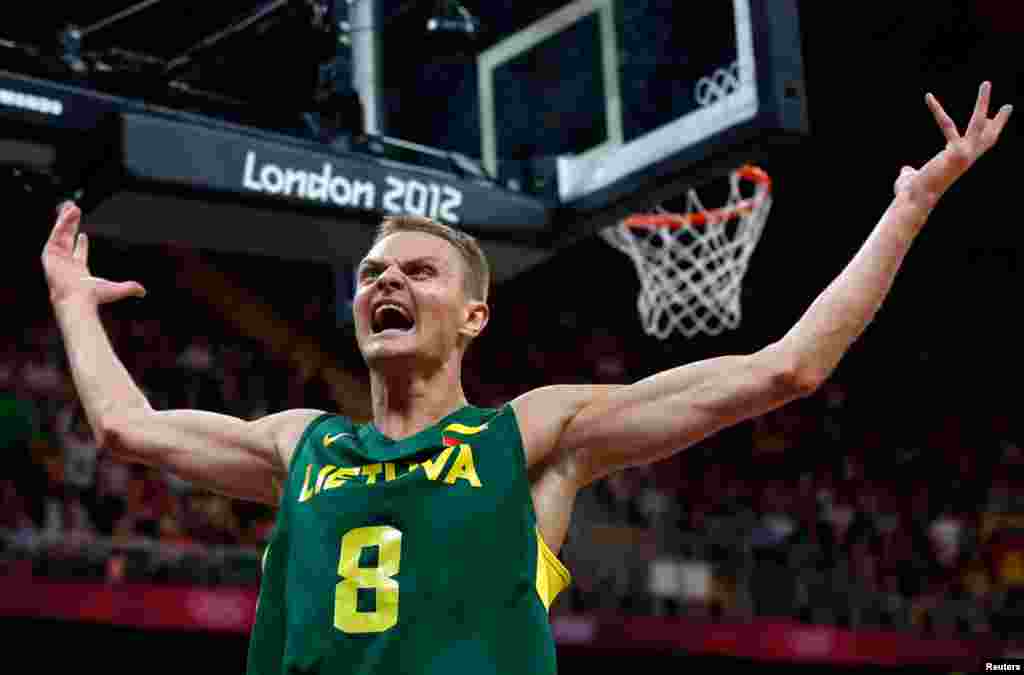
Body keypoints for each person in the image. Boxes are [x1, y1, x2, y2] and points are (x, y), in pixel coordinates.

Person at [41, 83, 1011, 674]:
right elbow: (128, 428)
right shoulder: (303, 443)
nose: (386, 279)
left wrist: (908, 210)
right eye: (373, 271)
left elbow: (785, 369)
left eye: (417, 270)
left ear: (473, 316)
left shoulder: (531, 438)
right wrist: (75, 302)